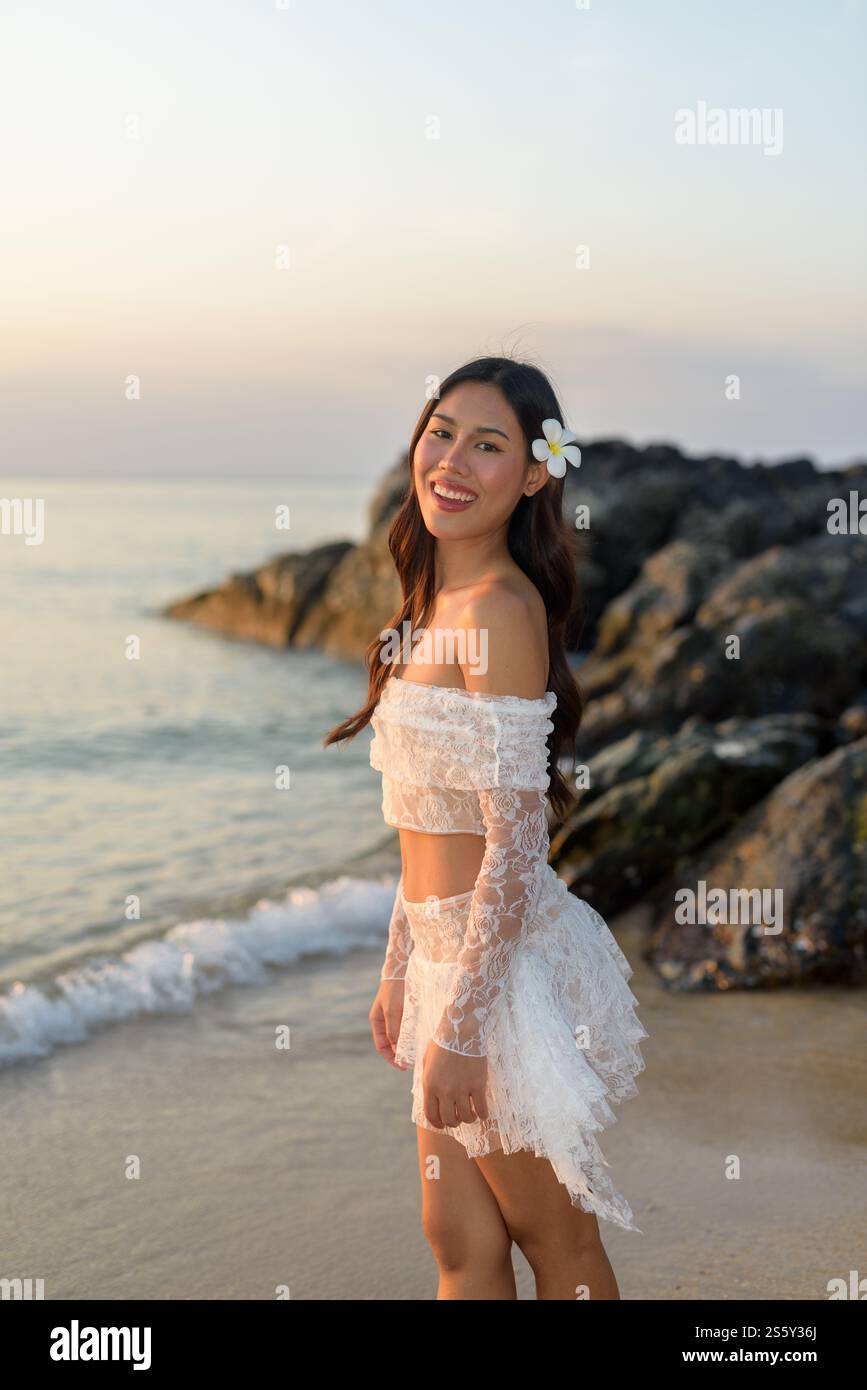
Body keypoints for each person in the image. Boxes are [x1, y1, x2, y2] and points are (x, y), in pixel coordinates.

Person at [325, 355, 647, 1300]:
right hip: (441, 966)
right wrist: (398, 972)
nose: (453, 460)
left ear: (536, 474)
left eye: (489, 444)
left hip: (494, 977)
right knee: (458, 1239)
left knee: (556, 1238)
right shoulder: (423, 615)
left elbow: (512, 844)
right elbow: (421, 827)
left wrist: (463, 1030)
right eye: (441, 432)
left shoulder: (503, 610)